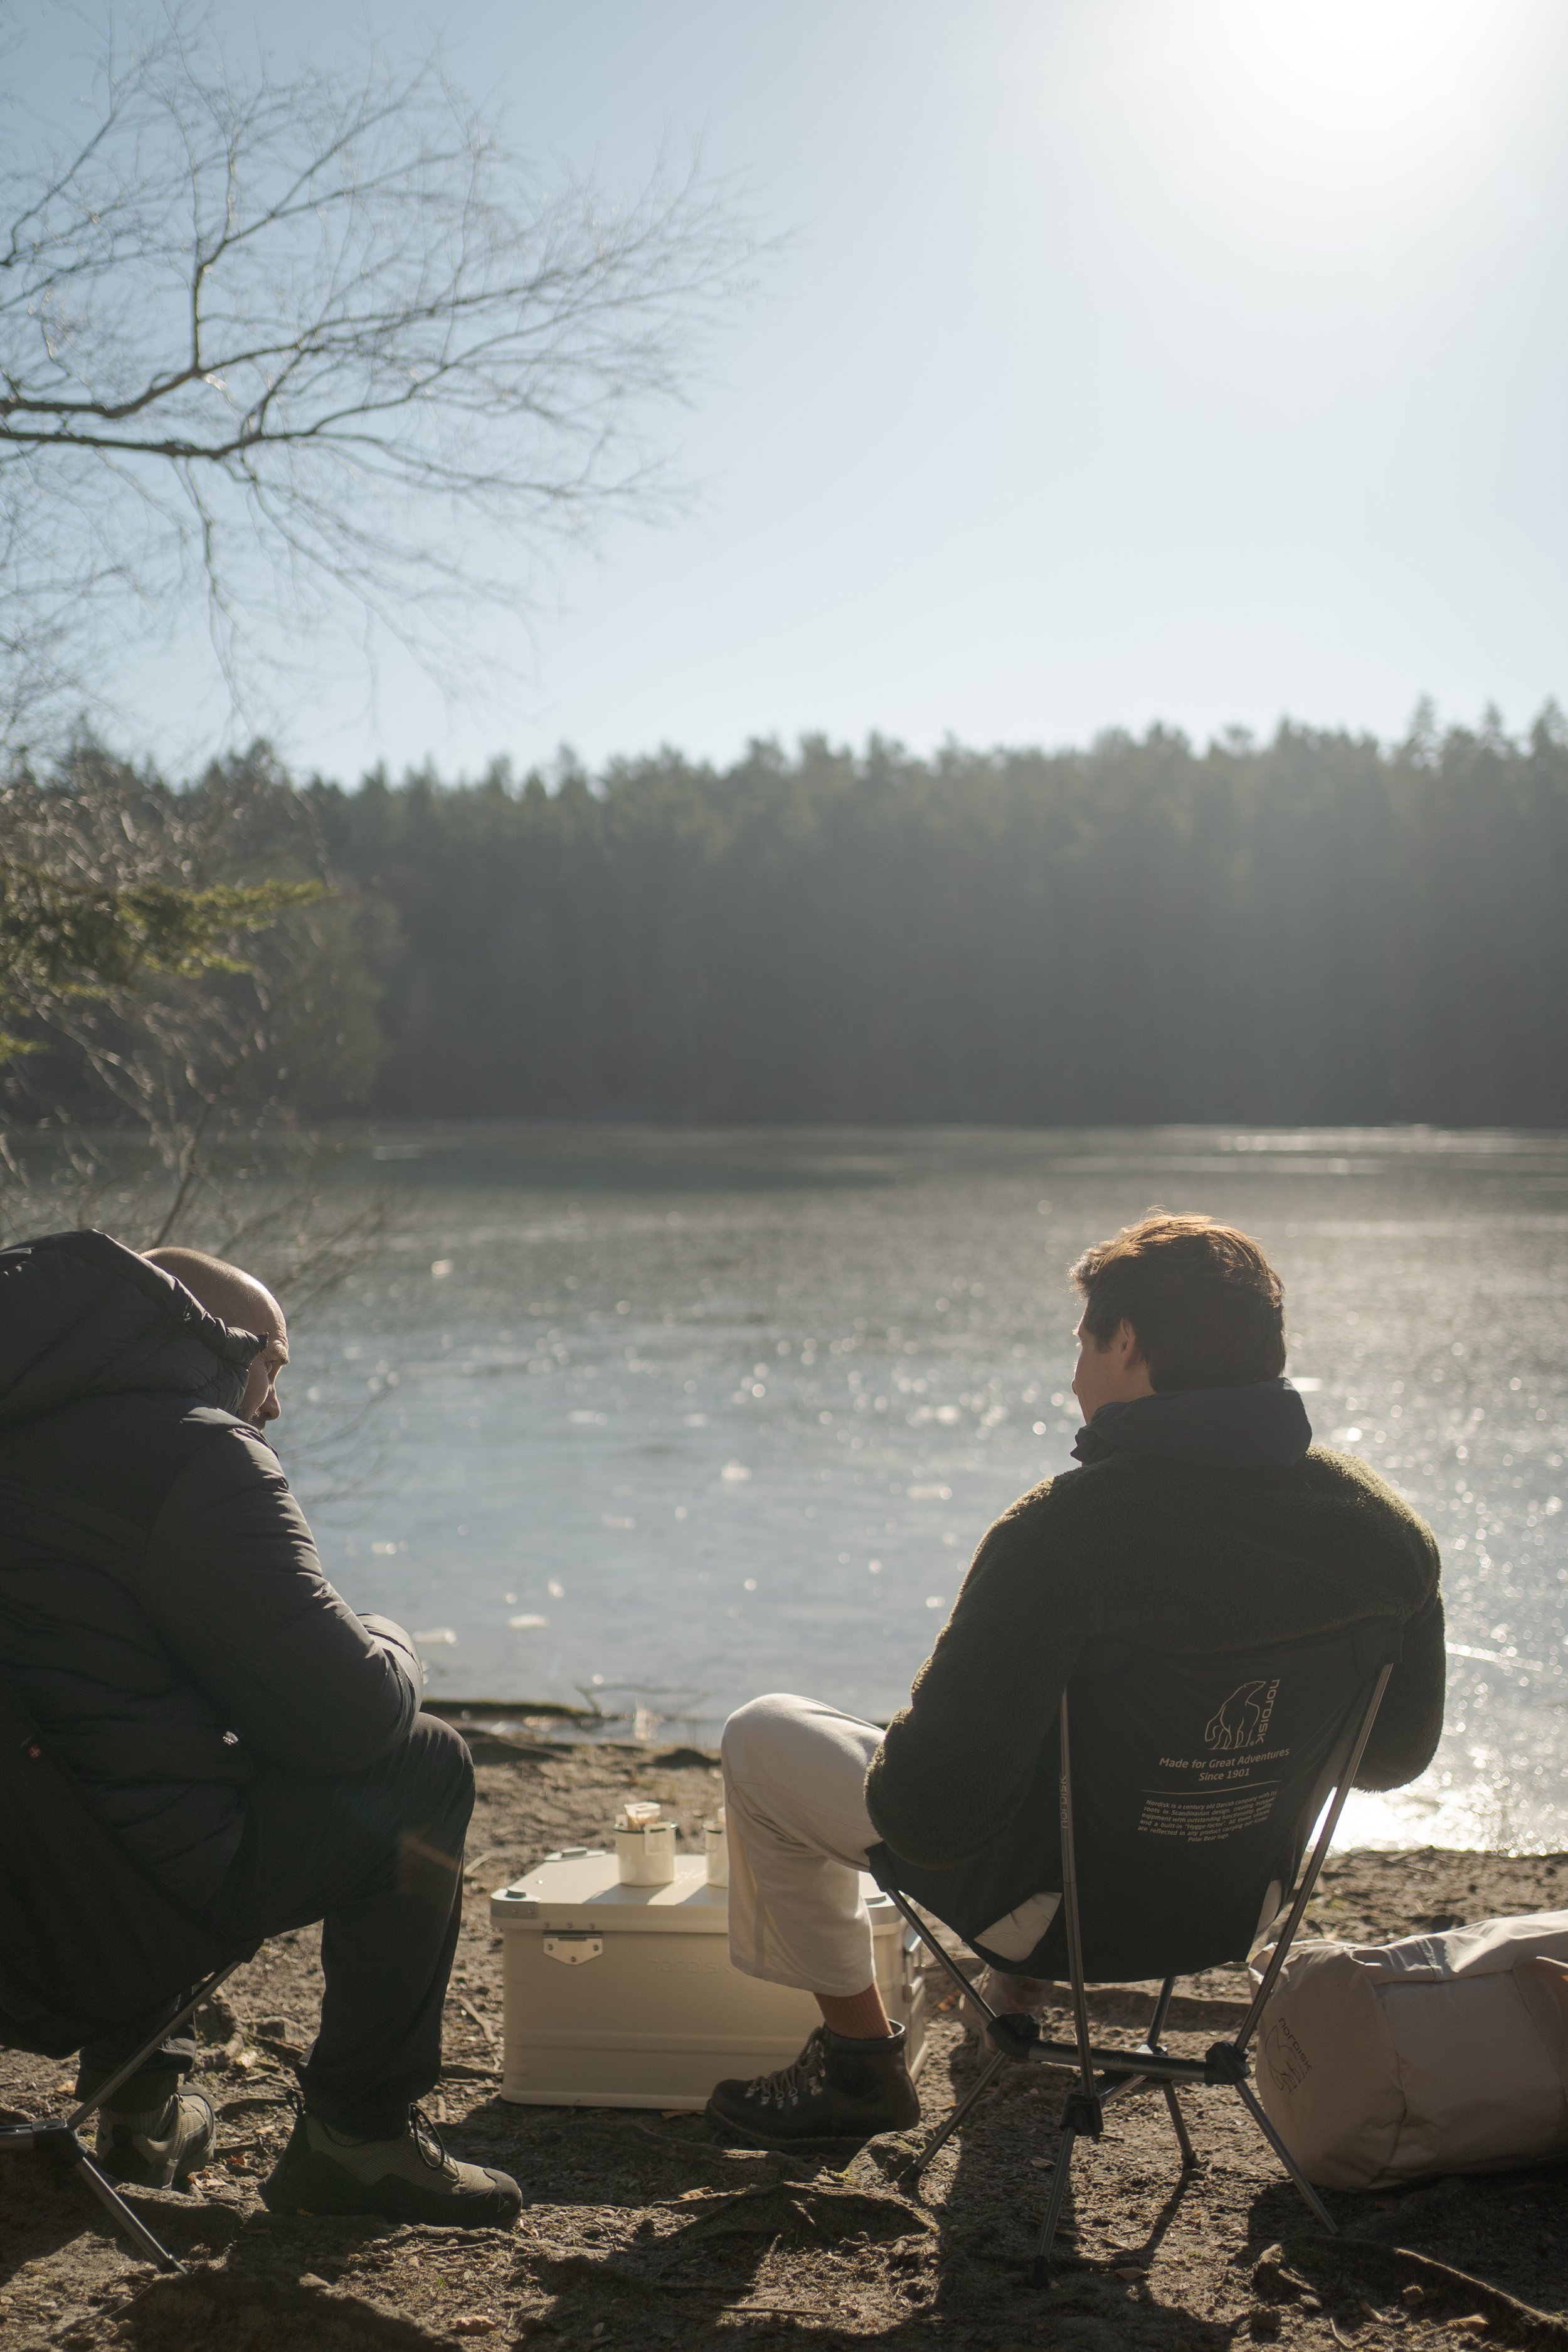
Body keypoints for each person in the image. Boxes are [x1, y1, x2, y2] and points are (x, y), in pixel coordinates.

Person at [706, 1213, 1447, 2144]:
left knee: (763, 1734)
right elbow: (1392, 1759)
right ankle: (1012, 1988)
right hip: (1230, 1904)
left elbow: (927, 1815)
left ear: (1127, 1342)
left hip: (1054, 1912)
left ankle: (858, 2062)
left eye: (1082, 1344)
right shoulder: (1389, 1534)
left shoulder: (1059, 1537)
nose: (1072, 1374)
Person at [0, 1228, 521, 2225]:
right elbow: (348, 1717)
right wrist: (392, 1637)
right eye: (271, 1364)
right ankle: (359, 2137)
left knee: (119, 1741)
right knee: (424, 1767)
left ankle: (147, 2111)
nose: (275, 1401)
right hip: (98, 1935)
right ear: (210, 1339)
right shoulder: (197, 1454)